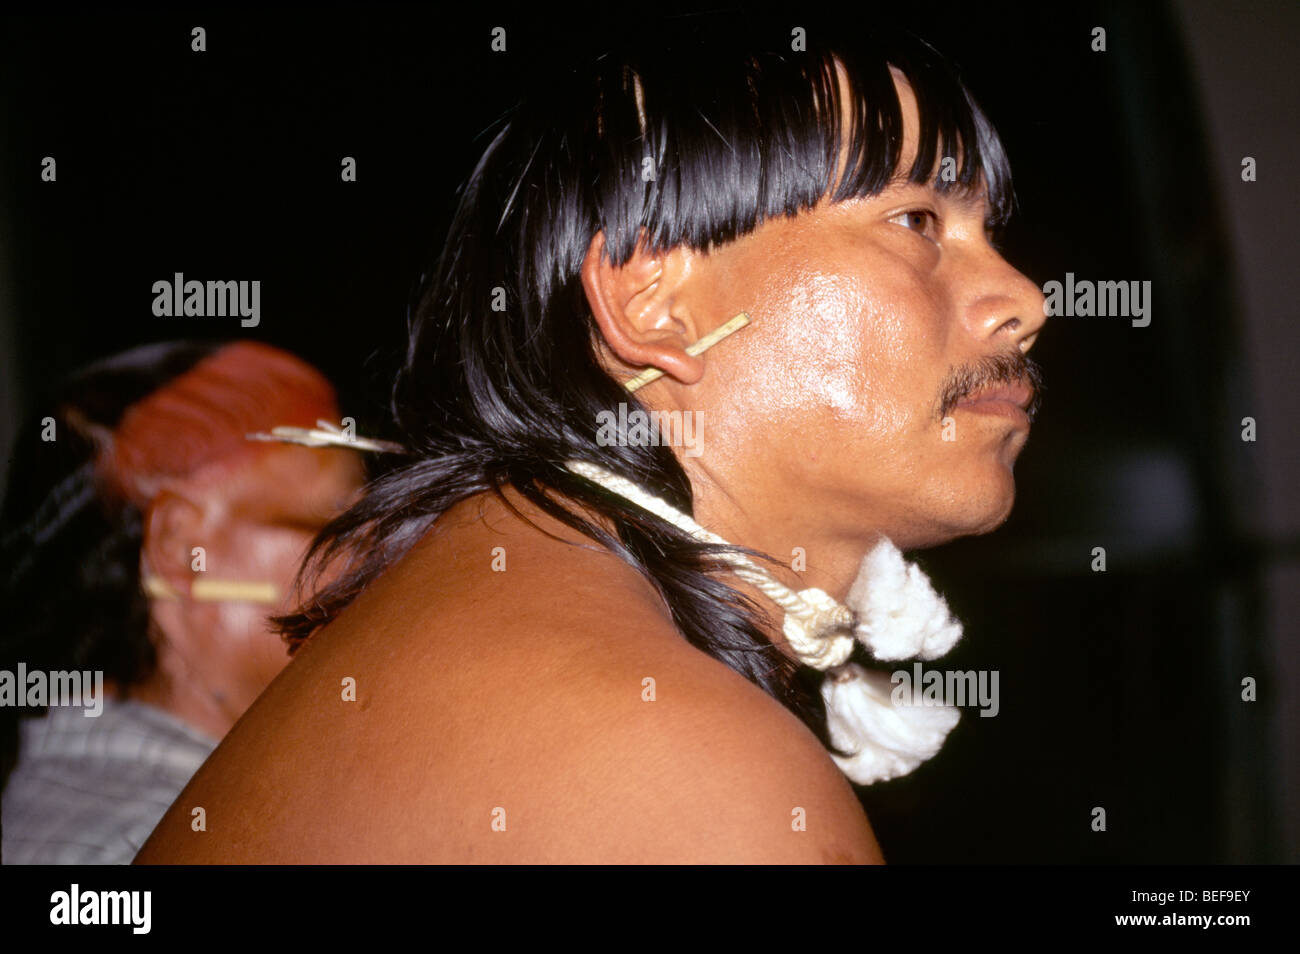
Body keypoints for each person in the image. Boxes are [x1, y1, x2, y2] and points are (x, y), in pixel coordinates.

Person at [135, 18, 1046, 864]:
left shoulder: (496, 599)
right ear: (653, 302)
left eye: (985, 231)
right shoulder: (691, 775)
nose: (1026, 301)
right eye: (918, 221)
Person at [0, 340, 366, 863]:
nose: (379, 561)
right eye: (340, 525)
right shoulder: (158, 842)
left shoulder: (91, 809)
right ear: (179, 545)